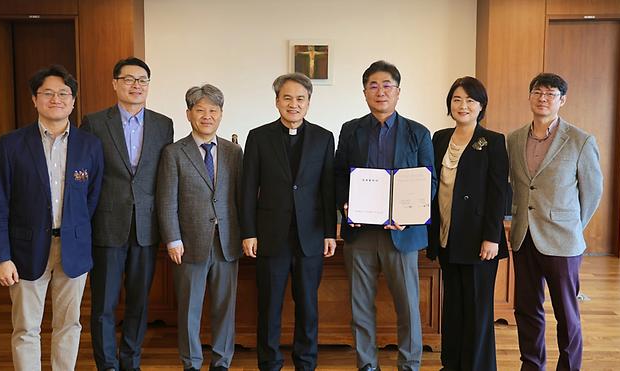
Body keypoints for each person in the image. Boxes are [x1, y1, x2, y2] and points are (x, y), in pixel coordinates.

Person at [0, 64, 103, 370]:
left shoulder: (90, 145)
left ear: (73, 101)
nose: (56, 99)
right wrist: (2, 257)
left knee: (69, 323)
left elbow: (91, 199)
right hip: (24, 250)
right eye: (48, 93)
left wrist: (75, 231)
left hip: (73, 248)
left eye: (64, 93)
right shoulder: (10, 145)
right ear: (34, 99)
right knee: (26, 328)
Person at [334, 60, 436, 371]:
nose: (380, 92)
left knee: (407, 305)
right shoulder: (351, 130)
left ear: (398, 92)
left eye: (387, 85)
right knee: (360, 304)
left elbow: (428, 179)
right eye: (373, 86)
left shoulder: (418, 132)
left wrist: (411, 213)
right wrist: (345, 205)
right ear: (364, 92)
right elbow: (339, 175)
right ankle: (367, 363)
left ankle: (409, 363)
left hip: (402, 233)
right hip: (361, 233)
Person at [81, 57, 174, 371]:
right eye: (129, 79)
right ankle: (107, 364)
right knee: (104, 305)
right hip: (107, 225)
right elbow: (87, 174)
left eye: (143, 80)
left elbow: (165, 176)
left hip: (147, 226)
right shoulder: (94, 122)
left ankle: (130, 361)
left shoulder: (164, 124)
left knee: (139, 302)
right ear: (115, 83)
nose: (137, 85)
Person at [241, 72, 337, 371]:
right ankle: (269, 363)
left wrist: (330, 232)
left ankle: (306, 362)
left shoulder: (324, 137)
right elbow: (247, 188)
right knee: (269, 306)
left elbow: (328, 189)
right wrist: (248, 232)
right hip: (271, 236)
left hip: (310, 236)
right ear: (276, 101)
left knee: (308, 306)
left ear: (309, 102)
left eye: (300, 99)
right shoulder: (258, 136)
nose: (293, 104)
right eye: (287, 98)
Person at [508, 72, 603, 371]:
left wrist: (572, 225)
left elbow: (592, 191)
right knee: (527, 309)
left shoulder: (580, 140)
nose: (543, 98)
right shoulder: (513, 138)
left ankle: (569, 366)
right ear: (529, 97)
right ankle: (532, 365)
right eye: (538, 92)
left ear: (562, 100)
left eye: (551, 94)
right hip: (524, 237)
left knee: (566, 311)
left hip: (563, 241)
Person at [156, 84, 242, 371]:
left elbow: (239, 197)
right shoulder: (174, 152)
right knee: (190, 309)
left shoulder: (233, 152)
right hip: (189, 243)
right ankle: (191, 362)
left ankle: (221, 361)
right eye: (201, 110)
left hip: (227, 241)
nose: (207, 116)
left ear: (221, 115)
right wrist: (172, 239)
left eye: (213, 111)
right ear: (189, 114)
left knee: (224, 309)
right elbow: (166, 200)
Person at [427, 76, 509, 371]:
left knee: (477, 310)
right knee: (454, 307)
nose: (462, 106)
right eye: (457, 100)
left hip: (478, 240)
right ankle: (452, 364)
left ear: (481, 106)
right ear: (449, 104)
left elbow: (498, 192)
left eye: (470, 100)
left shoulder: (494, 141)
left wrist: (492, 237)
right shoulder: (439, 138)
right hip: (447, 235)